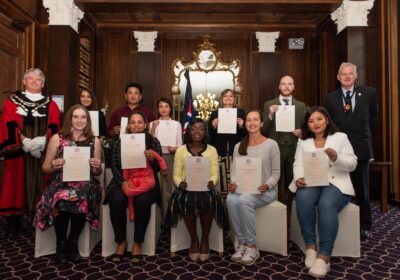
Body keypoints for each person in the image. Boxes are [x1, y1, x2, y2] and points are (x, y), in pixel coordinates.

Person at [289, 106, 357, 278]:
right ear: (307, 125)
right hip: (311, 182)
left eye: (319, 119)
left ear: (327, 120)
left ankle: (324, 256)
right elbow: (298, 163)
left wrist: (336, 158)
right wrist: (298, 177)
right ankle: (311, 247)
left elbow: (352, 164)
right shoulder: (303, 141)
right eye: (311, 121)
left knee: (326, 203)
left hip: (336, 184)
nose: (315, 123)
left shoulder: (340, 137)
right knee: (302, 196)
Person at [34, 104, 102, 265]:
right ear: (70, 119)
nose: (79, 120)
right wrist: (53, 165)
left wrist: (96, 166)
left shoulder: (95, 141)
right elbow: (45, 167)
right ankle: (61, 242)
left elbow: (97, 172)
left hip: (86, 183)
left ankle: (73, 240)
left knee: (83, 195)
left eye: (83, 117)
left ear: (88, 120)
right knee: (61, 196)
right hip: (61, 181)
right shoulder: (57, 138)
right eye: (76, 117)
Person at [0, 68, 60, 238]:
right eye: (31, 79)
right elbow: (8, 124)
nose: (34, 82)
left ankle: (39, 218)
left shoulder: (51, 104)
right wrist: (24, 142)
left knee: (42, 184)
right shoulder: (12, 102)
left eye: (38, 80)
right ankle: (14, 221)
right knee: (17, 186)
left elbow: (54, 125)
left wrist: (43, 142)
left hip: (42, 153)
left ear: (43, 84)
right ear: (24, 81)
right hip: (20, 153)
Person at [325, 62, 379, 240]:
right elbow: (329, 124)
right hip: (339, 151)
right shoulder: (330, 98)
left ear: (356, 76)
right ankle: (341, 224)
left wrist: (365, 139)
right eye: (343, 74)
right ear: (338, 77)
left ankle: (364, 225)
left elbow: (373, 120)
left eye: (350, 74)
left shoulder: (369, 93)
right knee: (339, 186)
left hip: (361, 149)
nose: (347, 77)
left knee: (362, 189)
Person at [106, 111, 162, 263]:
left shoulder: (153, 142)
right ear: (128, 126)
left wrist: (152, 160)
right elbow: (115, 166)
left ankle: (138, 242)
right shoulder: (119, 142)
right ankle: (121, 242)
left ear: (145, 125)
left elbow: (158, 168)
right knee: (116, 200)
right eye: (132, 122)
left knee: (142, 201)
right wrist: (123, 182)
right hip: (122, 180)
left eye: (139, 122)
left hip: (146, 181)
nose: (136, 125)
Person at [168, 118, 225, 262]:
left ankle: (205, 240)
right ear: (189, 131)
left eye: (200, 128)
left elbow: (214, 172)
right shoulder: (181, 150)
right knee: (187, 200)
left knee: (208, 200)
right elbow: (176, 174)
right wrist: (179, 183)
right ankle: (194, 239)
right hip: (186, 188)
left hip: (206, 188)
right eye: (193, 129)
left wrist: (213, 181)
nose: (197, 132)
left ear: (205, 131)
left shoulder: (212, 150)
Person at [227, 110, 280, 265]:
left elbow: (276, 173)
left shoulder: (271, 144)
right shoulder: (239, 146)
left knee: (244, 200)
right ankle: (242, 243)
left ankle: (252, 246)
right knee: (230, 199)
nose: (252, 123)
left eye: (256, 119)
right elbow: (235, 170)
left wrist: (267, 185)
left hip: (266, 191)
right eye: (249, 120)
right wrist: (234, 182)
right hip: (244, 188)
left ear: (261, 123)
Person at [262, 75, 306, 204]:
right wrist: (270, 115)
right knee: (274, 181)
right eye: (283, 84)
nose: (286, 86)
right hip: (275, 148)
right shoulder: (269, 104)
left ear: (293, 87)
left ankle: (292, 212)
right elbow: (263, 130)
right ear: (279, 86)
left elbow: (307, 127)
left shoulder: (301, 106)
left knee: (293, 182)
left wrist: (303, 132)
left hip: (294, 148)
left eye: (289, 84)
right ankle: (275, 210)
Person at [149, 97, 183, 217]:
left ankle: (167, 218)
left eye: (166, 106)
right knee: (156, 187)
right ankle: (158, 220)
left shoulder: (176, 124)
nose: (163, 109)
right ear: (158, 109)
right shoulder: (152, 123)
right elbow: (149, 143)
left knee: (168, 189)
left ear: (170, 108)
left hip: (169, 157)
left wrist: (175, 149)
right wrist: (153, 128)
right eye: (161, 106)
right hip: (154, 158)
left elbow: (180, 146)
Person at [208, 89, 246, 157]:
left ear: (234, 99)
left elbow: (244, 135)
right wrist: (213, 126)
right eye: (225, 96)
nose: (228, 98)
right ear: (221, 99)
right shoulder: (214, 113)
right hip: (219, 147)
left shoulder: (241, 112)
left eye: (231, 96)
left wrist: (242, 126)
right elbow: (209, 135)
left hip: (236, 146)